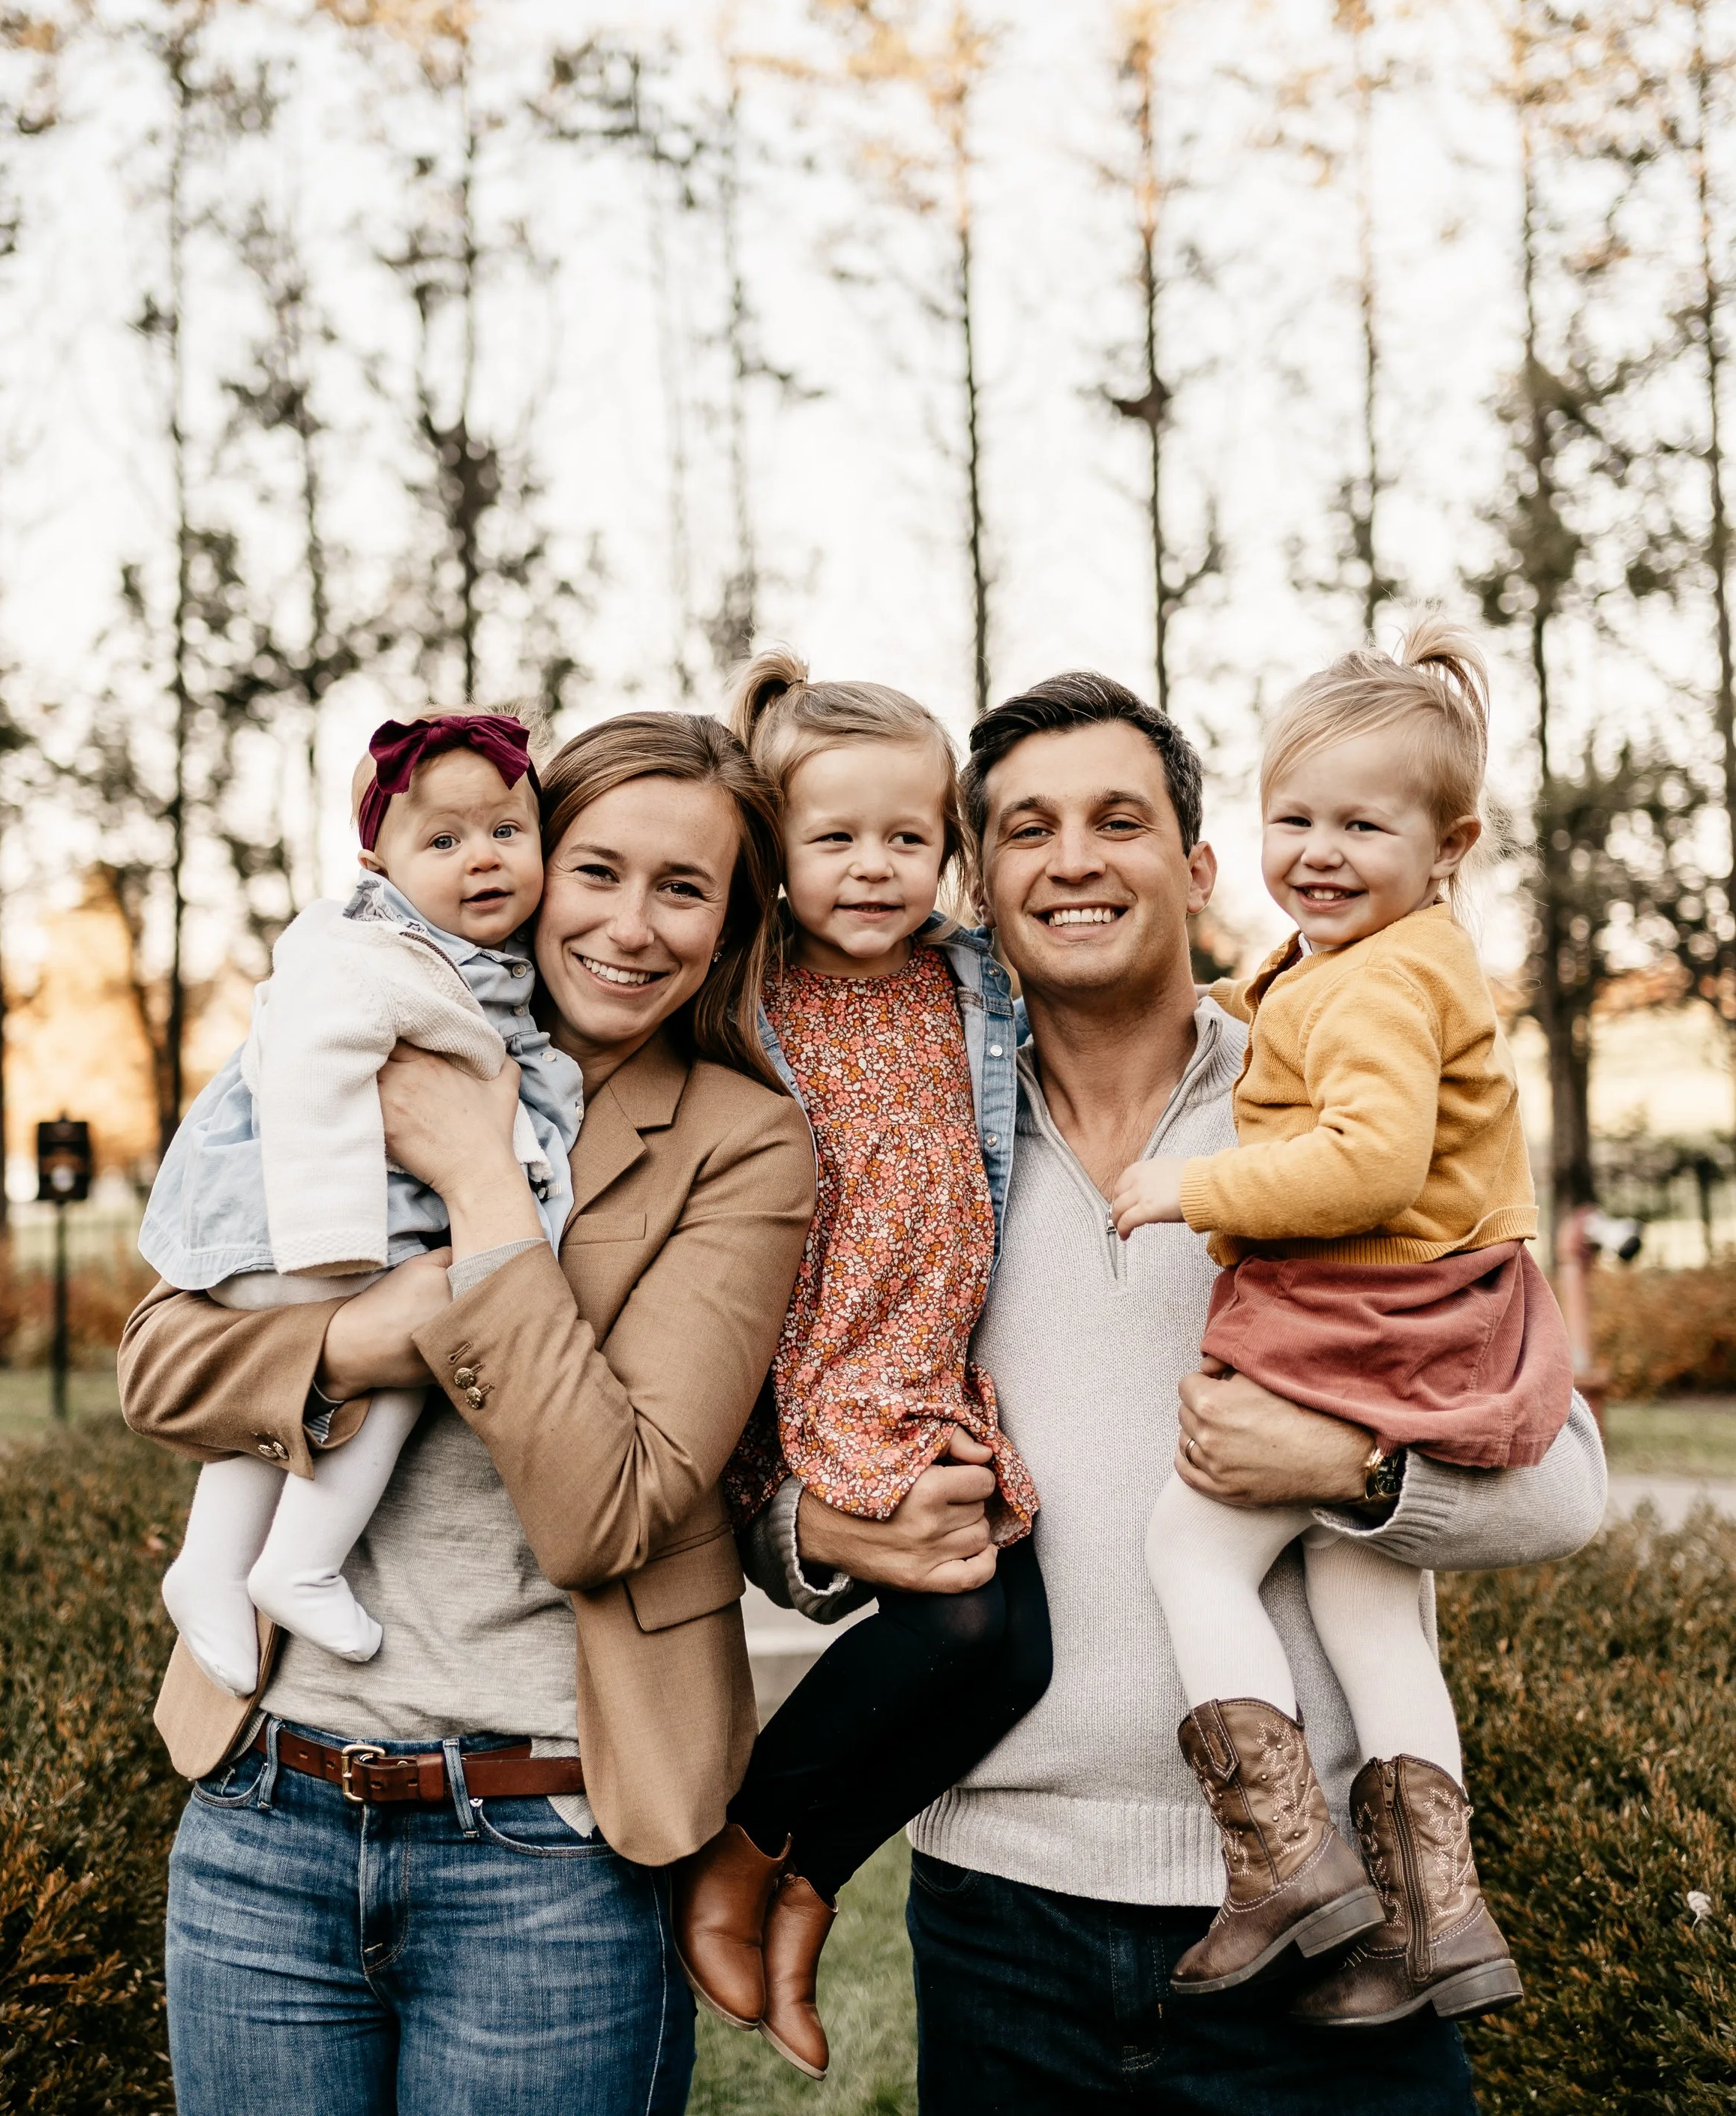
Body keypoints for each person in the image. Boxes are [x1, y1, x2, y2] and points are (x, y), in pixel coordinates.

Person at [749, 669, 1606, 2114]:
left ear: (1200, 865)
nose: (1072, 859)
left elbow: (1568, 1483)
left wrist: (1353, 1466)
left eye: (1118, 819)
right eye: (1025, 828)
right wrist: (815, 1537)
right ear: (978, 876)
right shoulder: (911, 1128)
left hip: (1328, 1943)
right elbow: (771, 1446)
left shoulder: (1337, 1098)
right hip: (1000, 1920)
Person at [118, 713, 816, 2116]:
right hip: (264, 1806)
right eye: (598, 868)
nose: (630, 923)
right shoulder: (368, 1020)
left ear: (733, 919)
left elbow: (609, 1511)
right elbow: (160, 1361)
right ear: (535, 862)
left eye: (685, 888)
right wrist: (352, 1338)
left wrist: (485, 1183)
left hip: (545, 1848)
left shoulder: (745, 1144)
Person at [1117, 623, 1569, 2022]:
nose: (1316, 848)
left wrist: (1192, 1186)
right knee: (1373, 1601)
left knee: (1191, 1541)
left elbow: (1368, 1158)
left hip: (1372, 1308)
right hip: (1438, 1318)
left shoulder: (1377, 976)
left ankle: (1284, 1858)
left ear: (1450, 843)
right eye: (1291, 816)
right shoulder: (1388, 956)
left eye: (1361, 823)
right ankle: (1443, 1915)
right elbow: (1304, 1014)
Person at [675, 653, 1051, 2081]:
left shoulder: (970, 985)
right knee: (962, 1626)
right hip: (825, 1370)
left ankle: (809, 1872)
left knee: (1018, 1648)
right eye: (835, 838)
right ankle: (744, 1844)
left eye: (910, 836)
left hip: (932, 1367)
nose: (876, 866)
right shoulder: (748, 994)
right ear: (776, 850)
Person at [141, 709, 584, 1694]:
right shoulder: (363, 951)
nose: (484, 859)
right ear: (378, 861)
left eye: (509, 833)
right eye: (444, 839)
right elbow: (312, 1071)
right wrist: (336, 1244)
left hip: (322, 1222)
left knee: (309, 1383)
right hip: (298, 1221)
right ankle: (298, 1561)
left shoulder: (456, 956)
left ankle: (212, 1564)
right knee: (403, 1358)